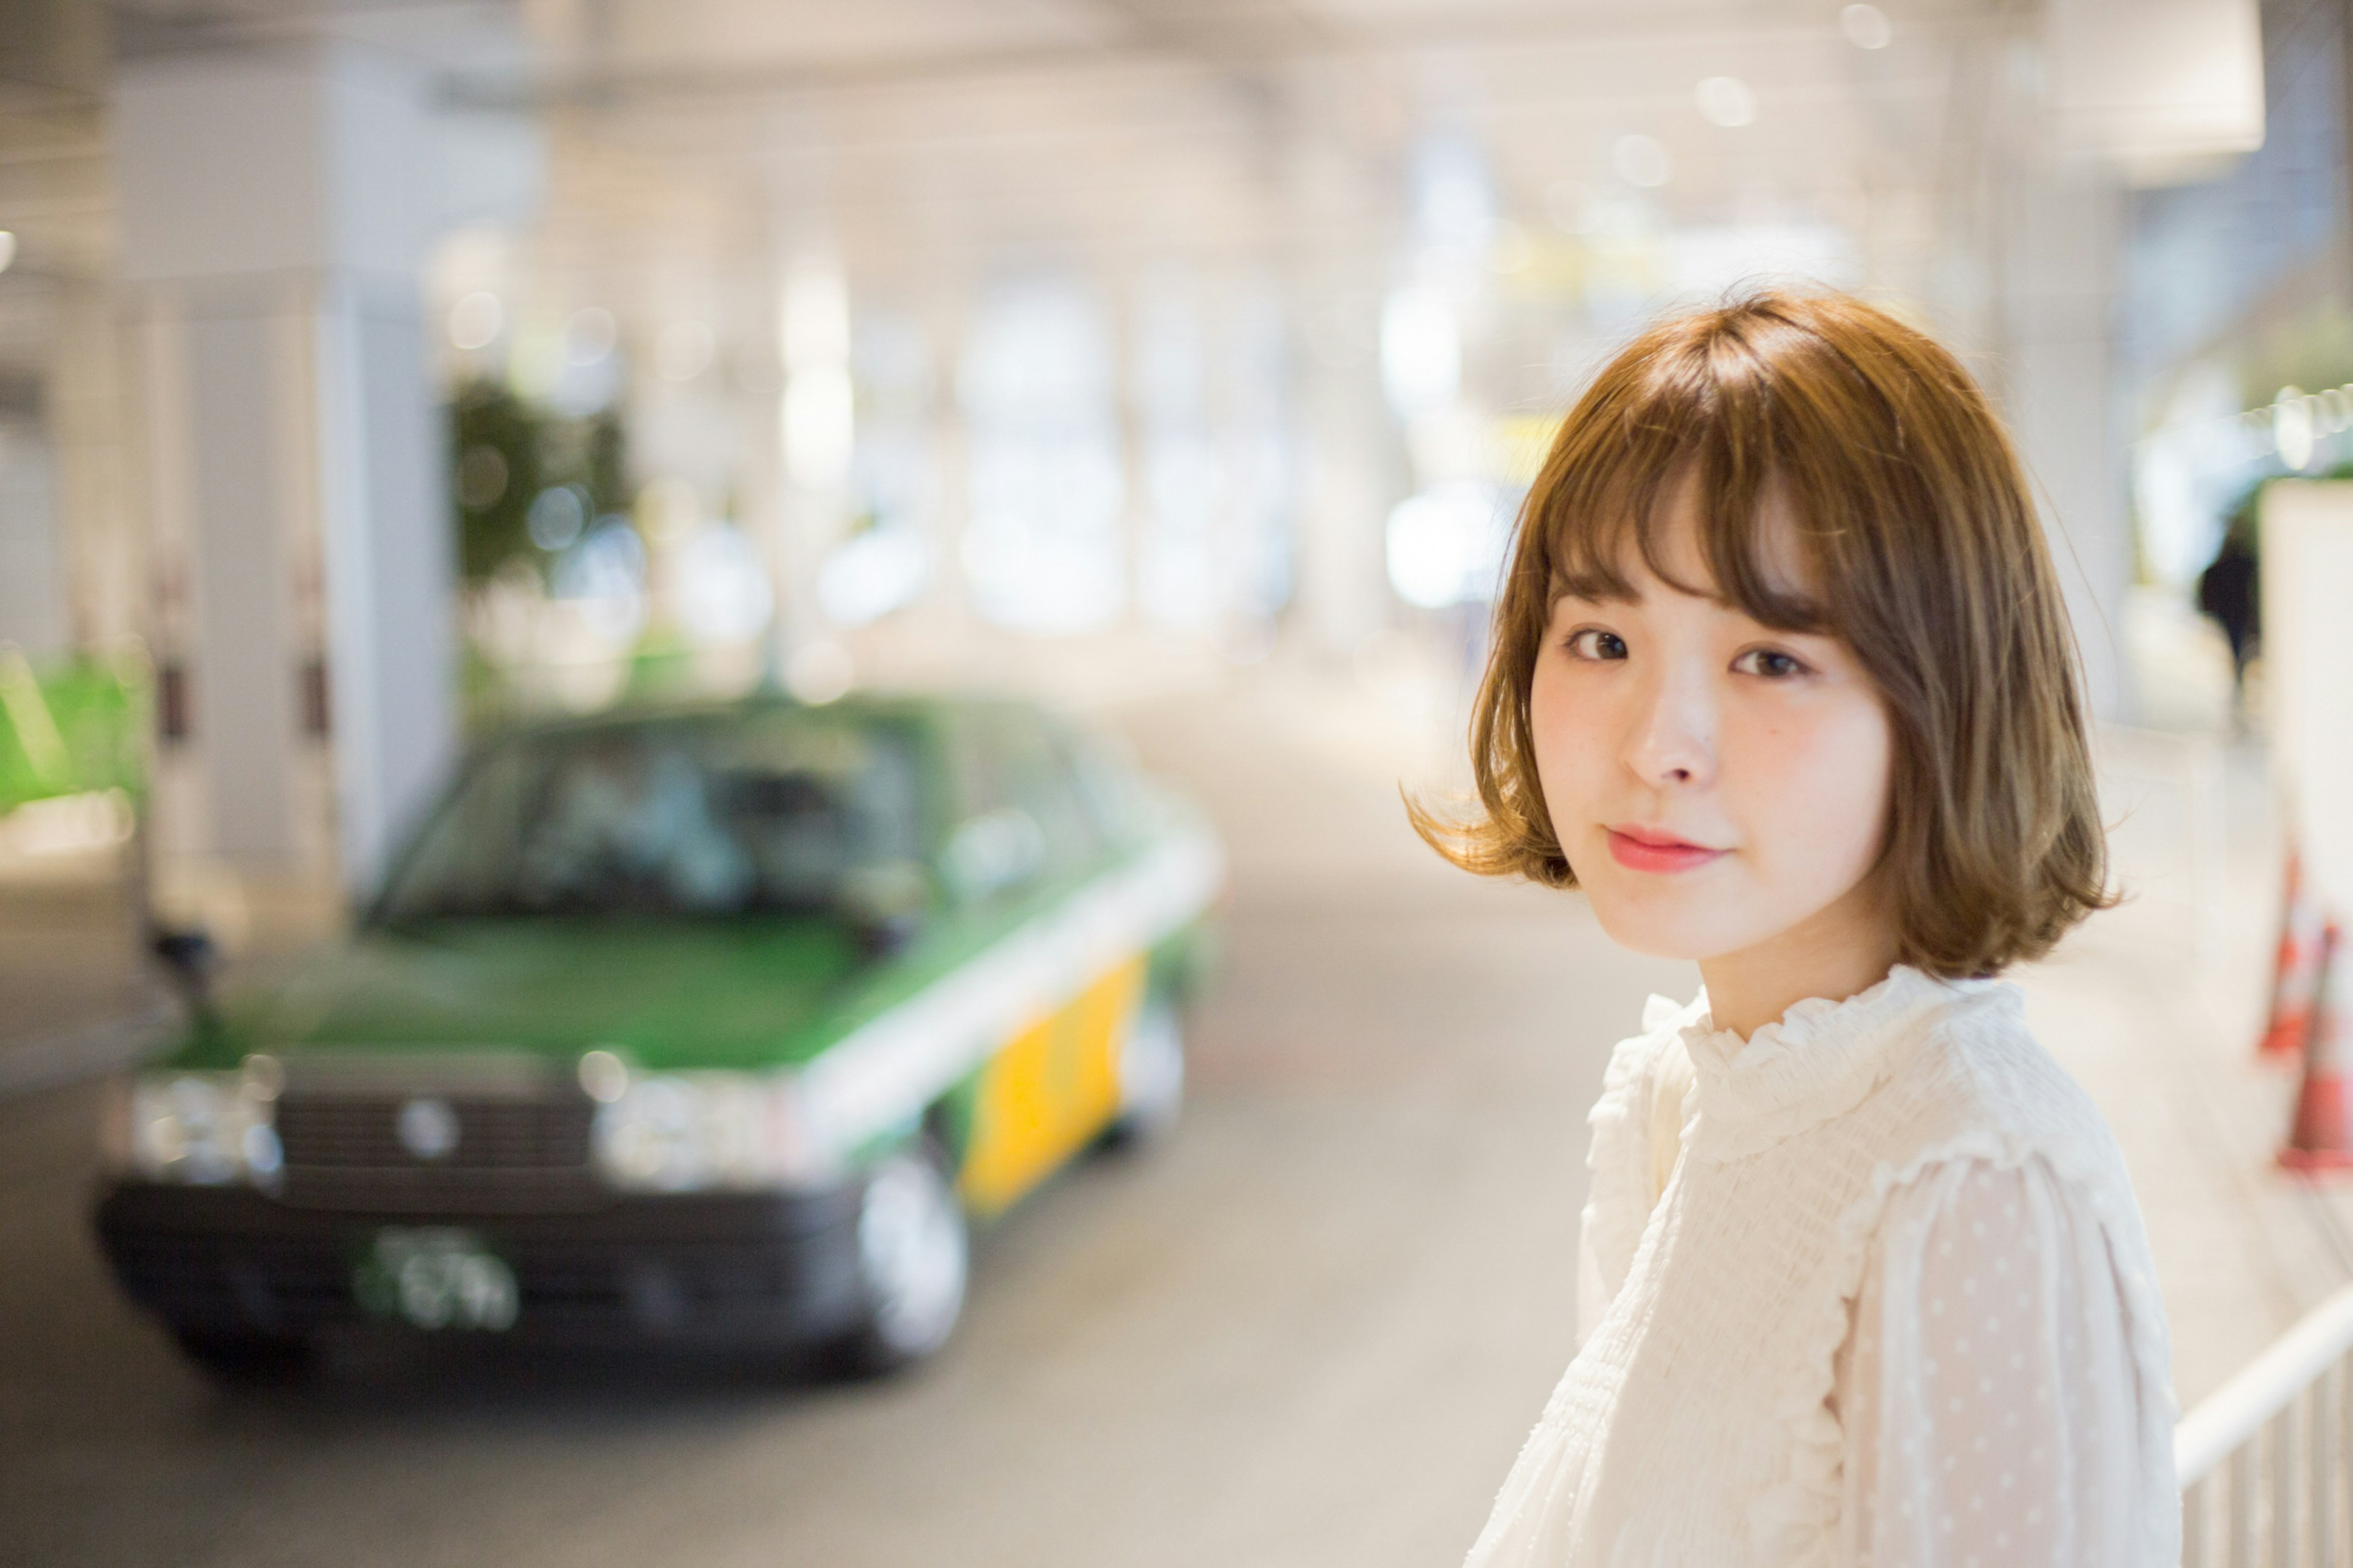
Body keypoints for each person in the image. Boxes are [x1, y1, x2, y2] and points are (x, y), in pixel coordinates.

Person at [1414, 292, 2178, 1566]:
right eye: (1601, 638)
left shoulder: (1970, 1187)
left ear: (1946, 694)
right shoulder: (1699, 1096)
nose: (1658, 742)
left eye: (1770, 658)